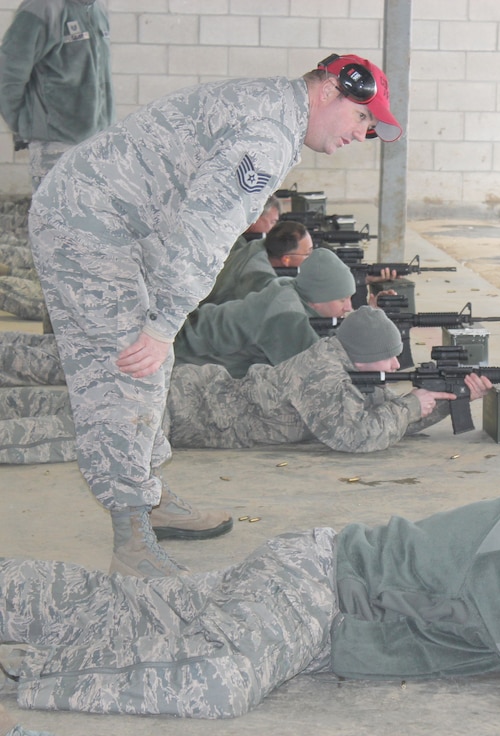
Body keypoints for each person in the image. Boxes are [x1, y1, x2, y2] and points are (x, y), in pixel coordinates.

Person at [0, 440, 500, 724]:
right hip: (320, 590)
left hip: (320, 581)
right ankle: (19, 675)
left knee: (145, 610)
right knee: (213, 682)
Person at [26, 53, 403, 577]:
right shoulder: (269, 134)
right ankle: (131, 535)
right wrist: (162, 324)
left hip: (117, 223)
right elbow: (204, 234)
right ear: (329, 92)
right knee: (126, 370)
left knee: (149, 367)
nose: (363, 134)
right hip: (88, 225)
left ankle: (148, 496)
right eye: (363, 117)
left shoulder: (277, 114)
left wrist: (164, 322)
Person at [0, 306, 492, 461]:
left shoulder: (341, 368)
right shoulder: (320, 374)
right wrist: (411, 405)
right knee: (36, 429)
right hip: (163, 410)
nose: (394, 363)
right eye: (389, 356)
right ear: (364, 355)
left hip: (176, 395)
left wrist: (446, 401)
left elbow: (377, 414)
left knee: (42, 402)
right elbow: (358, 434)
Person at [0, 0, 115, 327]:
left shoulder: (97, 8)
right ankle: (60, 339)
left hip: (95, 147)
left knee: (88, 249)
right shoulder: (42, 9)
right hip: (55, 147)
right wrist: (27, 125)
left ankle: (77, 335)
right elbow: (7, 72)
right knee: (59, 249)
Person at [174, 246, 355, 377]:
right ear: (317, 299)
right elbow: (315, 371)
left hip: (187, 345)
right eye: (342, 299)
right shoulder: (285, 314)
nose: (348, 307)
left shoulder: (292, 289)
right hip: (181, 360)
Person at [198, 219, 313, 307]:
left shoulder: (259, 246)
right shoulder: (257, 277)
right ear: (286, 260)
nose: (311, 258)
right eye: (307, 254)